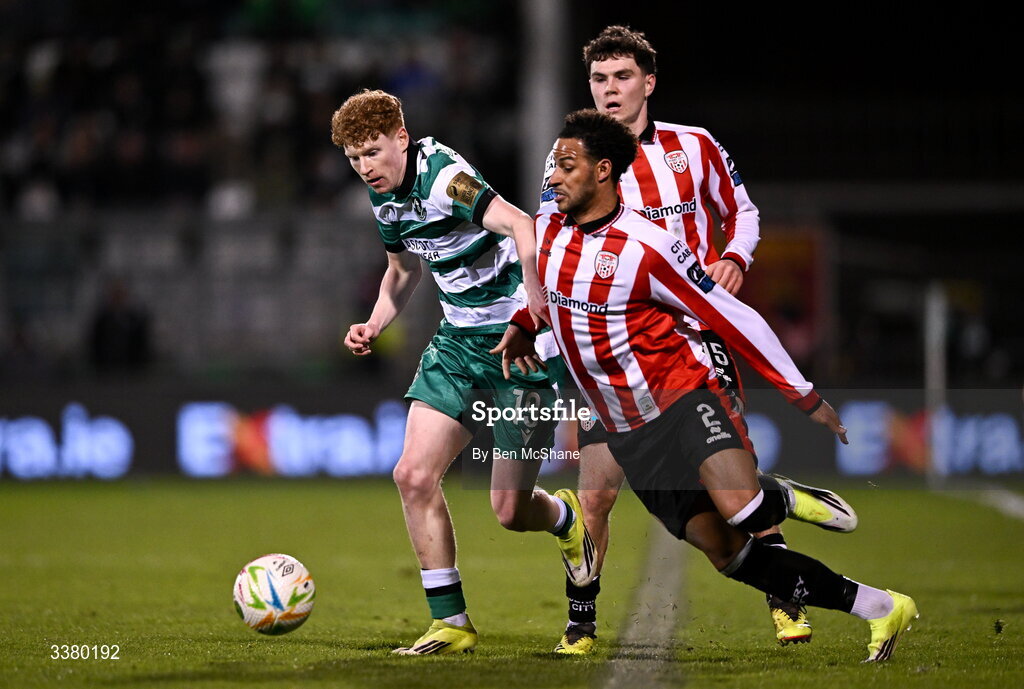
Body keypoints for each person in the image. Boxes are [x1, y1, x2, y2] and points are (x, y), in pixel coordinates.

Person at [496, 109, 918, 663]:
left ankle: (779, 495)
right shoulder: (547, 230)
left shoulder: (647, 246)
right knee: (731, 556)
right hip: (628, 432)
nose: (551, 177)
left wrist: (803, 395)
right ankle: (881, 607)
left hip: (681, 399)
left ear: (603, 171)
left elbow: (731, 316)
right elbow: (544, 297)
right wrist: (524, 327)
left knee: (743, 509)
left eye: (565, 166)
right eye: (552, 165)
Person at [534, 26, 856, 653]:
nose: (610, 90)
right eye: (600, 79)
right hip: (609, 352)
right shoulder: (568, 157)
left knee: (730, 485)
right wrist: (539, 307)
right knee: (594, 494)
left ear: (648, 83)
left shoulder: (694, 148)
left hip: (690, 339)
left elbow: (743, 210)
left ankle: (785, 597)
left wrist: (736, 255)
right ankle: (580, 623)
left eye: (623, 77)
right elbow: (549, 232)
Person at [330, 90, 595, 656]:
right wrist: (374, 323)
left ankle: (565, 518)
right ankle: (451, 623)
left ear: (401, 138)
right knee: (413, 476)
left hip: (517, 348)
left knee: (509, 510)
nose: (365, 168)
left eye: (373, 153)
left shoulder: (443, 178)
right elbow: (401, 271)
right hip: (456, 345)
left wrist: (534, 308)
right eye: (354, 159)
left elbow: (524, 226)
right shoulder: (386, 200)